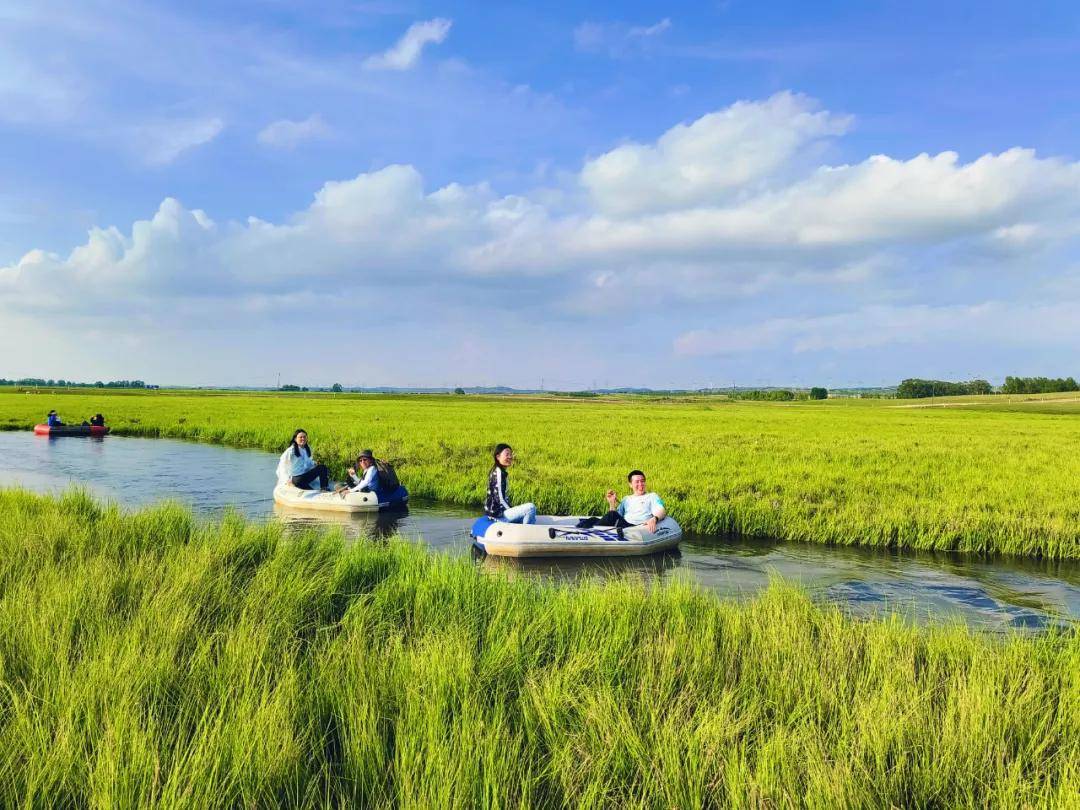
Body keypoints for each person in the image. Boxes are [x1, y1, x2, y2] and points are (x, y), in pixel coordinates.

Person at [577, 469, 667, 533]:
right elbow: (616, 517)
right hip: (624, 525)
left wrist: (654, 519)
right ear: (630, 484)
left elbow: (661, 510)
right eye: (637, 482)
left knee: (612, 514)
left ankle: (587, 533)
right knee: (593, 519)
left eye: (642, 481)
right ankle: (577, 531)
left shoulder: (651, 496)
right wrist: (612, 503)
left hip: (636, 528)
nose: (640, 484)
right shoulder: (626, 499)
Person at [484, 443, 536, 524]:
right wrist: (511, 510)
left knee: (529, 515)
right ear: (498, 457)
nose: (510, 457)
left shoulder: (500, 471)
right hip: (497, 515)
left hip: (498, 513)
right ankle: (526, 532)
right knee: (531, 508)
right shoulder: (498, 472)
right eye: (507, 454)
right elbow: (500, 499)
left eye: (511, 454)